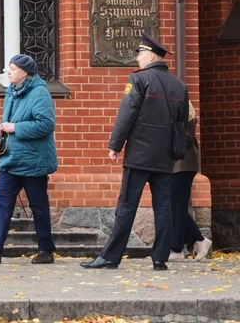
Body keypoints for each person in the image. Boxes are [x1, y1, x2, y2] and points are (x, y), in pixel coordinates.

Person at [81, 33, 189, 271]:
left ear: (150, 56)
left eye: (140, 54)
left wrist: (115, 145)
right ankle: (160, 258)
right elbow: (182, 122)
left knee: (127, 206)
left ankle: (110, 256)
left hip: (139, 155)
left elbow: (126, 114)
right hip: (165, 156)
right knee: (163, 207)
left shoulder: (138, 80)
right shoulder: (179, 85)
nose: (137, 58)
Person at [0, 54, 58, 265]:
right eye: (9, 68)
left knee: (38, 206)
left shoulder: (39, 93)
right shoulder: (11, 92)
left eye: (13, 69)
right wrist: (0, 129)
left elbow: (46, 125)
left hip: (33, 161)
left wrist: (15, 128)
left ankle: (46, 250)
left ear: (25, 73)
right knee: (1, 203)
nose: (9, 72)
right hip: (10, 160)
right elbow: (10, 121)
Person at [169, 101, 212, 261]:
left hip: (183, 165)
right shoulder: (177, 105)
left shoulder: (183, 107)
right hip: (179, 165)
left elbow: (186, 137)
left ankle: (177, 249)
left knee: (176, 207)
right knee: (174, 206)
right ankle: (198, 240)